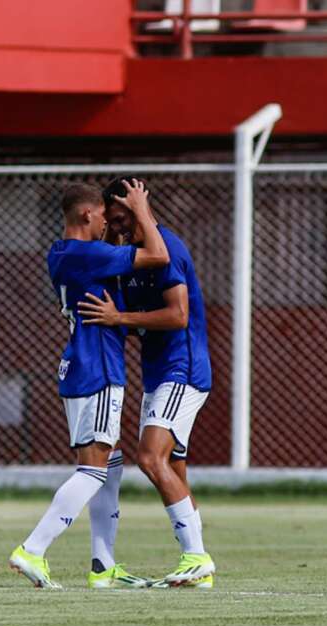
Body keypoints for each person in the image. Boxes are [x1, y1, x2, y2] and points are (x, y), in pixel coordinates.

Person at [8, 180, 169, 589]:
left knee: (107, 464)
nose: (106, 226)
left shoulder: (61, 253)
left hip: (78, 367)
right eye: (102, 217)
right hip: (98, 368)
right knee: (93, 470)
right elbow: (158, 254)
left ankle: (103, 564)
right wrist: (141, 209)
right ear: (86, 215)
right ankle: (33, 549)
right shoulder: (90, 254)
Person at [77, 177, 215, 588]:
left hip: (183, 369)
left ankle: (197, 557)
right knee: (172, 465)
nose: (119, 228)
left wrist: (120, 319)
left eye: (124, 217)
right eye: (113, 222)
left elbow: (177, 316)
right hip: (159, 375)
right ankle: (197, 565)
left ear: (141, 207)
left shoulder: (166, 247)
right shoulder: (131, 257)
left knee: (150, 456)